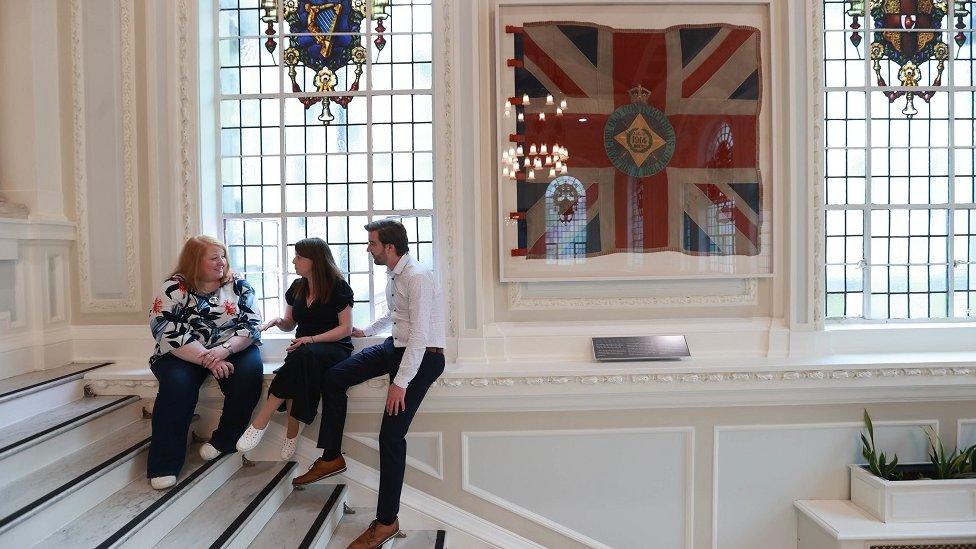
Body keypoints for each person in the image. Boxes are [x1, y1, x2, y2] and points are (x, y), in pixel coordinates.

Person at [292, 219, 445, 549]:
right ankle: (332, 457)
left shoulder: (417, 276)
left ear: (389, 247)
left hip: (423, 357)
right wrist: (369, 330)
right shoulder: (396, 274)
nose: (367, 249)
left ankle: (386, 522)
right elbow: (396, 315)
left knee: (391, 436)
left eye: (372, 243)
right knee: (334, 379)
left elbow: (419, 334)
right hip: (394, 347)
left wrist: (401, 383)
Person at [146, 235, 264, 490]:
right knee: (177, 385)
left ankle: (224, 440)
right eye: (214, 257)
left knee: (249, 374)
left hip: (232, 347)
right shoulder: (173, 289)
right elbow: (164, 327)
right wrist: (207, 359)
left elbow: (252, 325)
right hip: (182, 352)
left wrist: (223, 350)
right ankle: (164, 463)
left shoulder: (239, 286)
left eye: (222, 256)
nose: (221, 262)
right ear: (195, 261)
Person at [236, 237, 354, 459]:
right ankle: (292, 433)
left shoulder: (339, 287)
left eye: (299, 257)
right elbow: (291, 323)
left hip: (334, 347)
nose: (294, 261)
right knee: (299, 363)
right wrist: (279, 321)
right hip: (304, 350)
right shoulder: (297, 288)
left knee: (300, 357)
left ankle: (261, 421)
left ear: (315, 260)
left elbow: (345, 329)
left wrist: (311, 339)